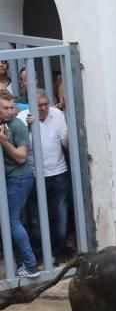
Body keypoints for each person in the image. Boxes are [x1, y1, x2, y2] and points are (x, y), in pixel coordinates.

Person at [17, 89, 71, 260]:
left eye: (46, 104)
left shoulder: (57, 114)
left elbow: (66, 143)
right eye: (39, 105)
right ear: (31, 105)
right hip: (33, 175)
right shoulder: (22, 118)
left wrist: (70, 118)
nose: (44, 108)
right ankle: (41, 255)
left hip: (58, 173)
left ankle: (60, 252)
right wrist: (27, 128)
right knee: (36, 219)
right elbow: (19, 147)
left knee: (61, 215)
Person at [0, 90, 39, 277]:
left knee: (12, 221)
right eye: (5, 108)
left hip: (20, 178)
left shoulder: (17, 125)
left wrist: (4, 142)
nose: (9, 111)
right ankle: (21, 262)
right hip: (9, 180)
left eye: (10, 108)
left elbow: (21, 157)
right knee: (16, 221)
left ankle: (31, 265)